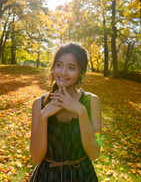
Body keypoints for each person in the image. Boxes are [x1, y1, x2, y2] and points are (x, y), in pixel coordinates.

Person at [29, 42, 102, 182]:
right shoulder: (39, 103)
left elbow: (94, 153)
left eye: (71, 68)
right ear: (53, 67)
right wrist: (43, 116)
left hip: (83, 176)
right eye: (59, 65)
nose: (62, 72)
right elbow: (36, 157)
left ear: (81, 72)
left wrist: (81, 111)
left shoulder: (93, 102)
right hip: (46, 177)